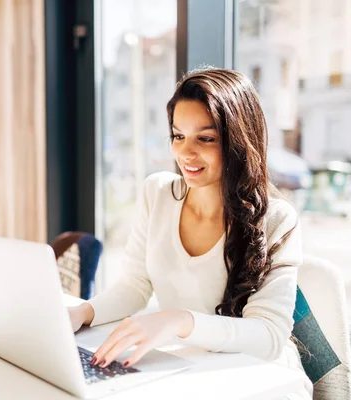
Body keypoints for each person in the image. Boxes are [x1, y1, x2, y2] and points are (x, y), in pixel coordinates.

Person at [68, 68, 312, 398]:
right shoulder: (157, 193)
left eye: (205, 138)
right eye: (178, 136)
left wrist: (180, 321)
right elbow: (135, 285)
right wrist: (82, 313)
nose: (185, 152)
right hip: (188, 370)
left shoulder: (277, 218)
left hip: (258, 380)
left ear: (240, 140)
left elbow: (268, 337)